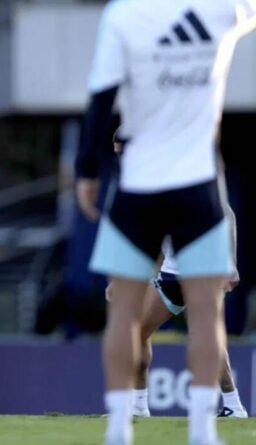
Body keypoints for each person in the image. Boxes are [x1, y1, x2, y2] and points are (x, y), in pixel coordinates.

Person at [75, 1, 256, 444]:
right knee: (206, 314)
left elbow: (101, 98)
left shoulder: (124, 15)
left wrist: (87, 167)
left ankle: (120, 426)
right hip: (195, 183)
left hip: (141, 187)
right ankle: (202, 429)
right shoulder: (221, 11)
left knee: (122, 313)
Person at [105, 138, 248, 419]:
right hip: (172, 274)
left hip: (202, 269)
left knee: (205, 334)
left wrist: (231, 265)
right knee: (138, 330)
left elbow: (227, 214)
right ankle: (138, 406)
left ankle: (234, 405)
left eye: (122, 148)